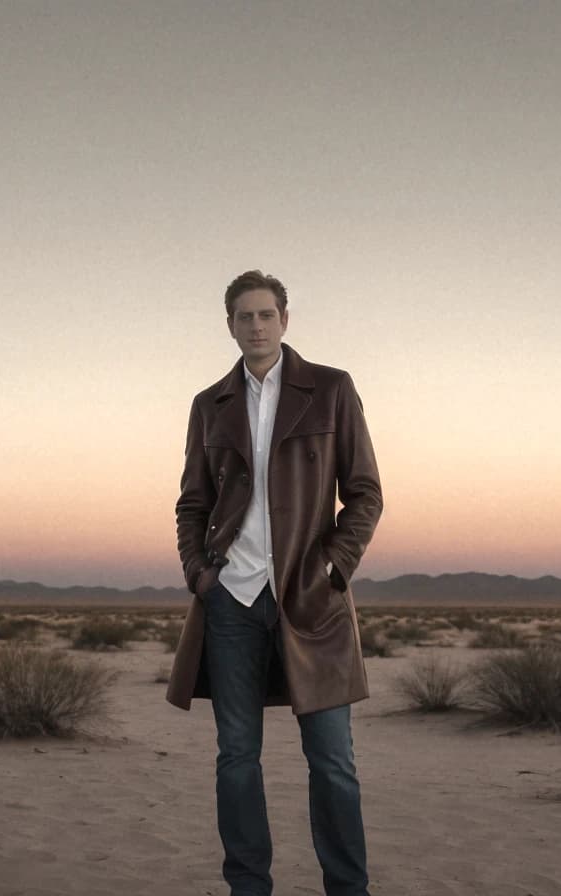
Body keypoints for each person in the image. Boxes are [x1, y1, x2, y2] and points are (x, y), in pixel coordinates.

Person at [166, 269, 383, 896]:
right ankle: (248, 887)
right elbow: (191, 504)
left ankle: (348, 888)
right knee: (237, 758)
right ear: (230, 325)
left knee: (333, 760)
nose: (255, 327)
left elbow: (365, 493)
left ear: (285, 320)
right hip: (231, 601)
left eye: (266, 315)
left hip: (310, 601)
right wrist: (199, 573)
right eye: (243, 317)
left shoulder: (331, 390)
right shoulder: (210, 405)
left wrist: (333, 566)